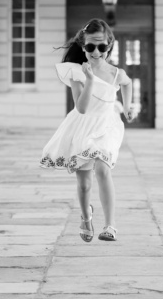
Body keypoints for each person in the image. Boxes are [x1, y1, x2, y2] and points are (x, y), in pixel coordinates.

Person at [40, 18, 135, 242]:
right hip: (83, 125)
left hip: (107, 125)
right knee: (84, 185)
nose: (96, 51)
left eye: (101, 46)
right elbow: (81, 108)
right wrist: (89, 79)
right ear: (83, 46)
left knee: (103, 169)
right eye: (90, 46)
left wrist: (128, 106)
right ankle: (86, 216)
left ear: (109, 46)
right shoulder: (76, 72)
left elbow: (128, 83)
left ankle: (110, 226)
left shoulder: (116, 73)